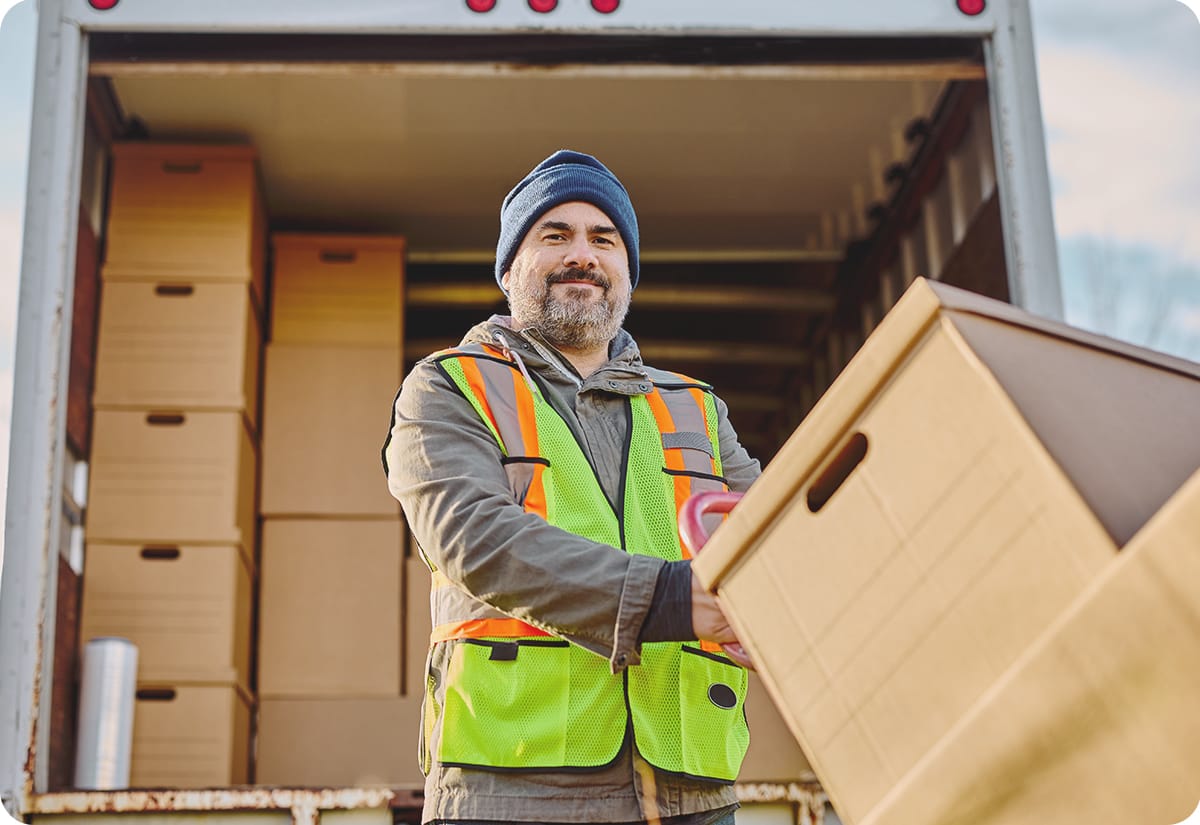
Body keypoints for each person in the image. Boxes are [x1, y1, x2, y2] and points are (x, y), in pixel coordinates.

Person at [383, 149, 761, 825]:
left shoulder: (697, 407)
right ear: (509, 271)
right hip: (515, 791)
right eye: (554, 235)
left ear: (628, 274)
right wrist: (672, 598)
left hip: (693, 791)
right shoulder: (448, 387)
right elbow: (476, 540)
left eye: (604, 239)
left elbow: (774, 543)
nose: (581, 254)